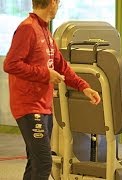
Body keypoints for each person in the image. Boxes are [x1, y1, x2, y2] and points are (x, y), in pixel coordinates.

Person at [3, 0, 101, 179]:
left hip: (44, 106)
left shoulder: (45, 32)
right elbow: (10, 64)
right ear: (53, 3)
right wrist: (45, 74)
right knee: (44, 163)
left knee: (35, 162)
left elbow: (61, 66)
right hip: (28, 106)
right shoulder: (28, 29)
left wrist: (84, 87)